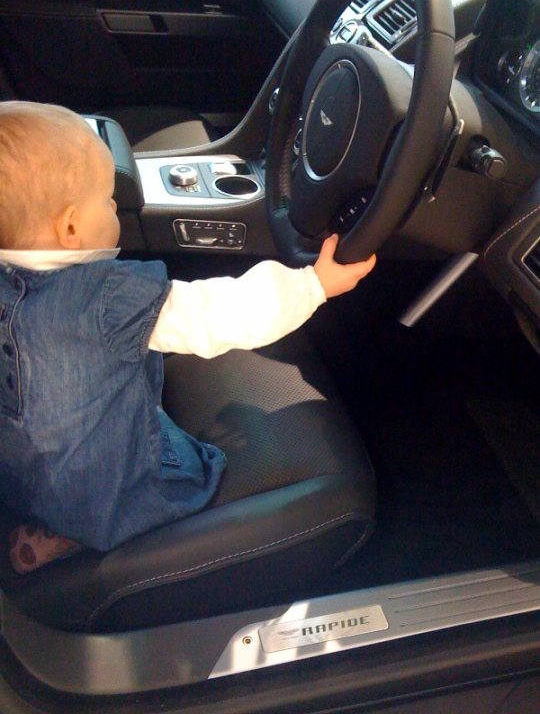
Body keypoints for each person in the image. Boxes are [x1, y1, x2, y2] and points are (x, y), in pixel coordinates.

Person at [0, 101, 376, 574]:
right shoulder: (110, 301)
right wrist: (314, 285)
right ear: (72, 227)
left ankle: (57, 531)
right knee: (189, 460)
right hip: (115, 493)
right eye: (108, 200)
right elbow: (223, 314)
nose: (115, 205)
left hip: (23, 479)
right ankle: (83, 534)